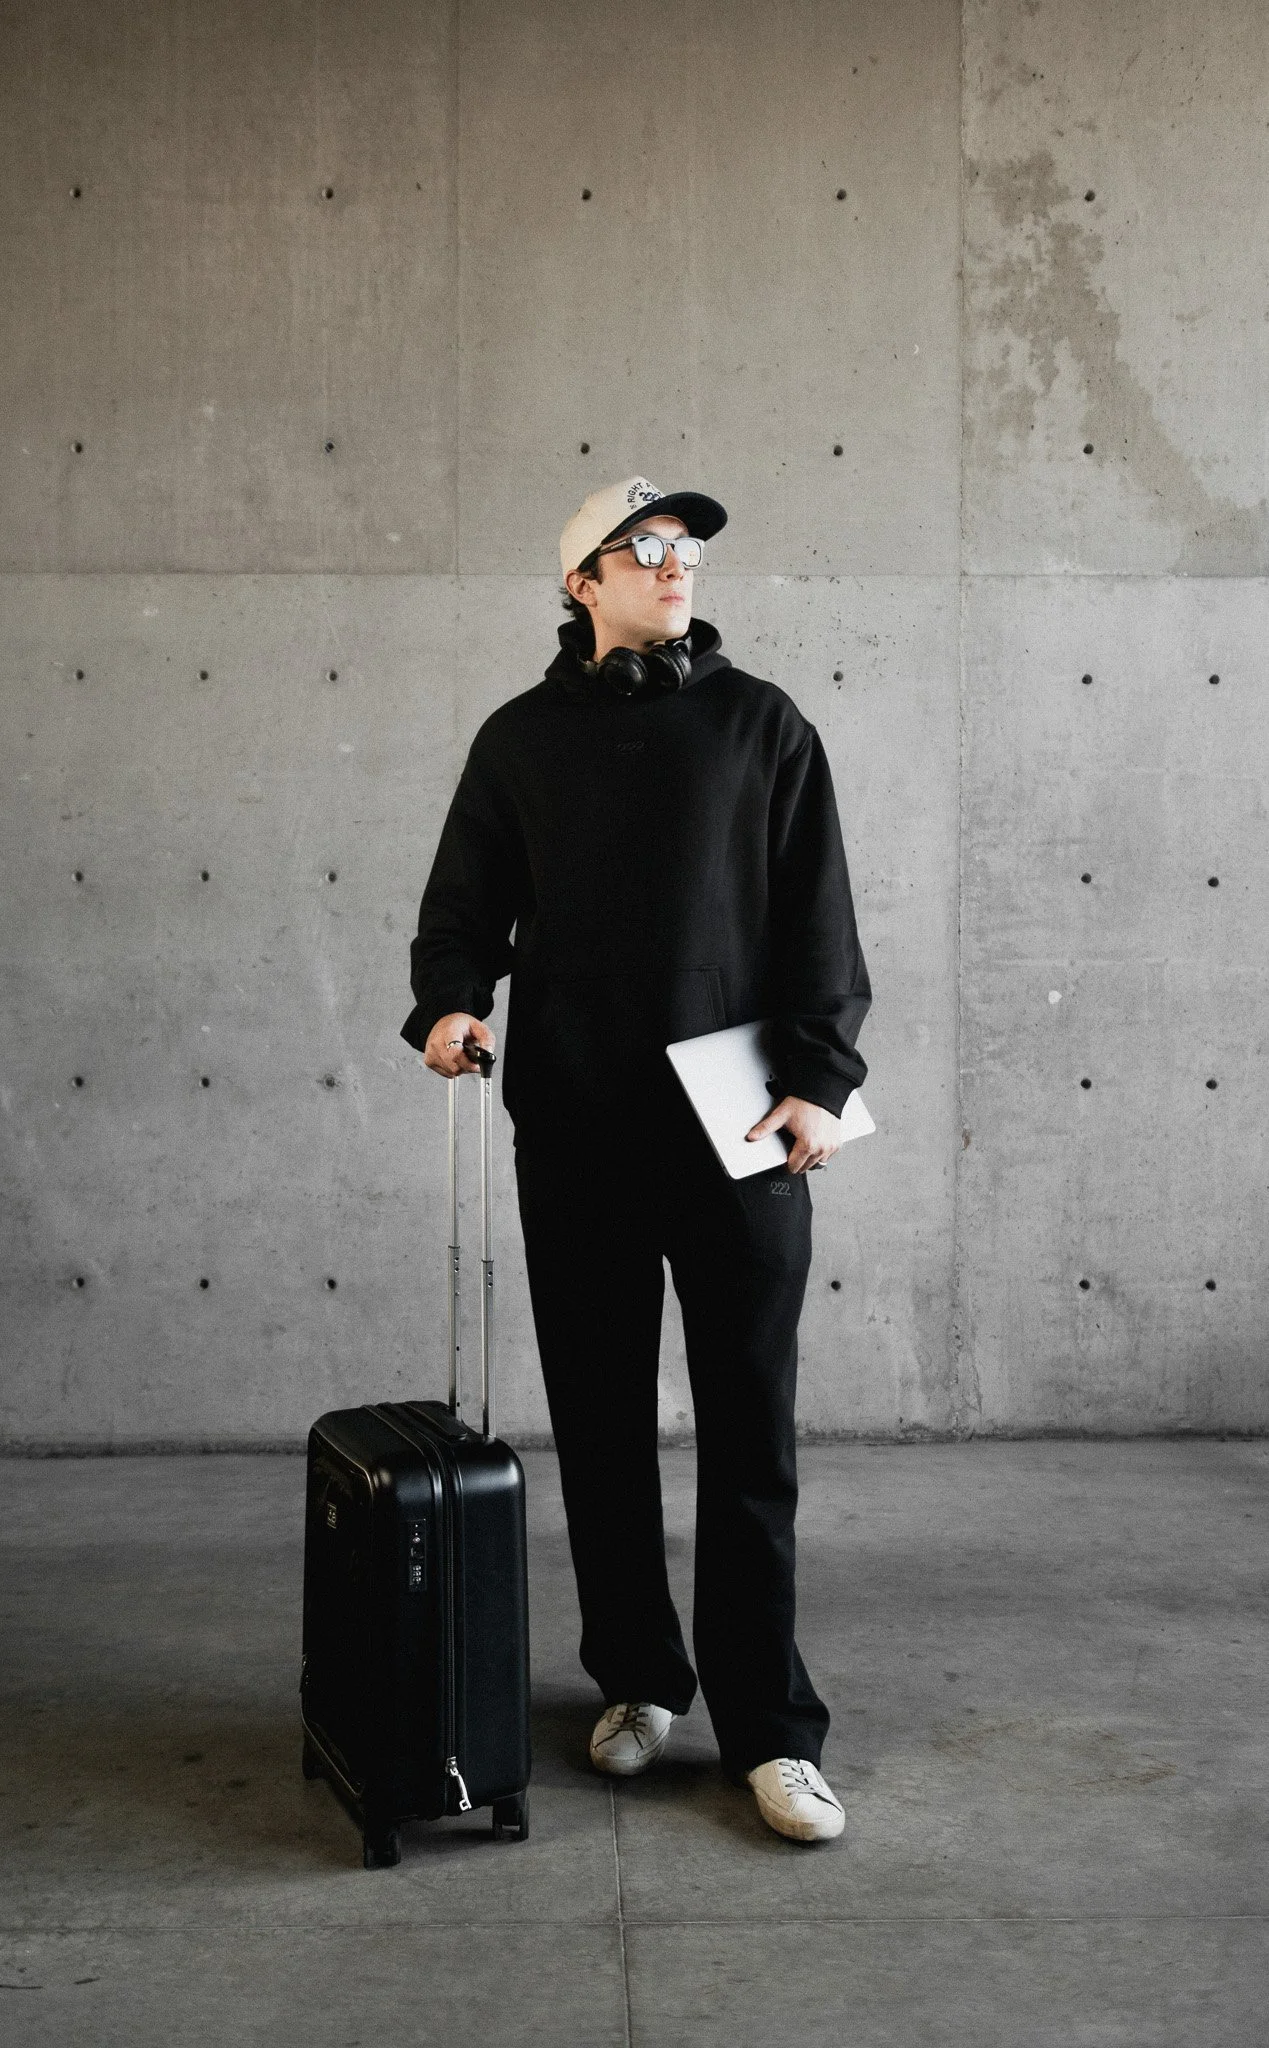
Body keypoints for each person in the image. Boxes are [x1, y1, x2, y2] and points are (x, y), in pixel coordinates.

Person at [399, 475, 871, 1844]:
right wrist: (448, 1007)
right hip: (578, 1126)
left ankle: (771, 1731)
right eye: (645, 547)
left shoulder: (761, 725)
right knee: (601, 1424)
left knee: (750, 1432)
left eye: (688, 548)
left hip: (739, 1133)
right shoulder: (521, 740)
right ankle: (639, 1678)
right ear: (582, 582)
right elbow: (461, 910)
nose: (677, 565)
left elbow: (821, 918)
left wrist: (821, 1081)